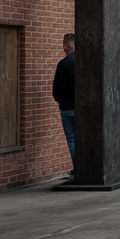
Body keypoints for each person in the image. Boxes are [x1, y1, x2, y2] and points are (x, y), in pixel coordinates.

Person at [51, 33, 76, 170]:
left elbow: (56, 87)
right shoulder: (87, 63)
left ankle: (78, 167)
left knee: (71, 138)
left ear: (69, 45)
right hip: (83, 107)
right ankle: (84, 167)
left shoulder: (63, 63)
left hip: (67, 107)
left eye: (65, 44)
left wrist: (59, 99)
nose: (63, 47)